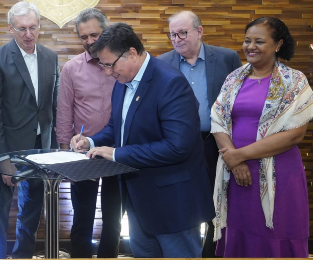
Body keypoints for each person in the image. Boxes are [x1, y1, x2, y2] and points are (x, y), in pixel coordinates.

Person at [71, 23, 214, 258]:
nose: (107, 72)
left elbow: (178, 147)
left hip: (173, 204)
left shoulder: (170, 83)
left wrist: (117, 154)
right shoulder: (122, 82)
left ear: (132, 53)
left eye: (109, 65)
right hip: (139, 202)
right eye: (103, 66)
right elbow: (117, 128)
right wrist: (91, 142)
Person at [211, 17, 313, 257]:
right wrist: (235, 162)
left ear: (278, 44)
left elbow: (294, 134)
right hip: (237, 176)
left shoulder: (294, 81)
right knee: (240, 231)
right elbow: (217, 120)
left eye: (259, 41)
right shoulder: (233, 78)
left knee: (275, 231)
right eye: (247, 40)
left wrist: (238, 156)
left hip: (279, 174)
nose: (251, 46)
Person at [158, 10, 241, 256]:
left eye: (183, 33)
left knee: (220, 201)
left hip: (217, 143)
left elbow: (238, 102)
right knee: (186, 202)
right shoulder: (162, 63)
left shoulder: (227, 58)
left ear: (199, 31)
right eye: (173, 34)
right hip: (179, 147)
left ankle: (213, 252)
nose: (177, 39)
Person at [0, 1, 59, 259]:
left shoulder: (51, 57)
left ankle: (23, 255)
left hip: (41, 146)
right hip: (7, 148)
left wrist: (54, 147)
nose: (28, 34)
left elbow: (52, 106)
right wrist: (2, 159)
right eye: (22, 28)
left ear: (40, 27)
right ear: (10, 29)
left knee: (32, 207)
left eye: (33, 27)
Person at [56, 8, 122, 258]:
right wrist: (66, 157)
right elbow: (64, 114)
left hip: (119, 152)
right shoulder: (72, 69)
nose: (90, 41)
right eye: (83, 37)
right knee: (82, 217)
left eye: (95, 34)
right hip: (83, 156)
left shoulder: (122, 64)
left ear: (107, 31)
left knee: (114, 218)